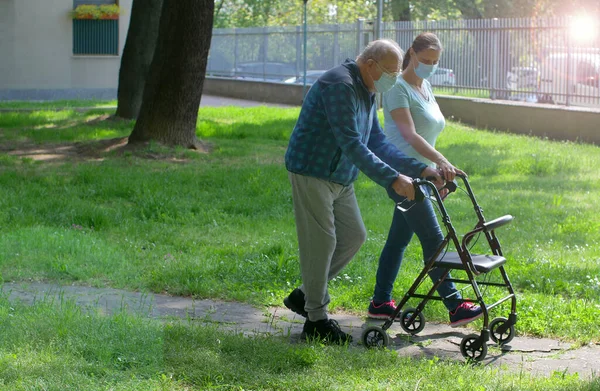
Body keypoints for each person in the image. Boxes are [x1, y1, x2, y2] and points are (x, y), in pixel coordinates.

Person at [283, 39, 443, 345]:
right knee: (322, 242)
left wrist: (420, 169)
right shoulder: (340, 86)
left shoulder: (368, 89)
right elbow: (352, 143)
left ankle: (305, 295)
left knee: (354, 236)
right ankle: (316, 320)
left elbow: (377, 141)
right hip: (312, 171)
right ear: (369, 64)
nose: (394, 78)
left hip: (340, 175)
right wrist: (393, 179)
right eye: (390, 71)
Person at [367, 32, 483, 327]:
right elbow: (409, 135)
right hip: (403, 175)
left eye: (435, 61)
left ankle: (380, 302)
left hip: (426, 175)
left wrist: (437, 172)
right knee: (432, 238)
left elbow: (429, 130)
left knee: (398, 240)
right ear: (412, 54)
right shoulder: (396, 88)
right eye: (426, 60)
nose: (430, 65)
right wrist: (442, 162)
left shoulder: (426, 86)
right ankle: (455, 305)